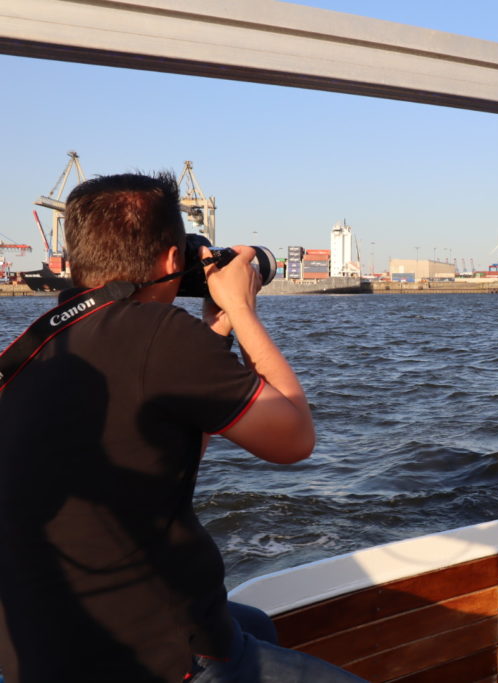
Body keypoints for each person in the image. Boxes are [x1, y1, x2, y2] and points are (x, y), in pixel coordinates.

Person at [0, 173, 363, 682]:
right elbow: (295, 438)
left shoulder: (37, 344)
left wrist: (214, 334)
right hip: (150, 656)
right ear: (173, 261)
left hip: (40, 648)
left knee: (256, 622)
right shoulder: (158, 333)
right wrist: (241, 308)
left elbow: (162, 444)